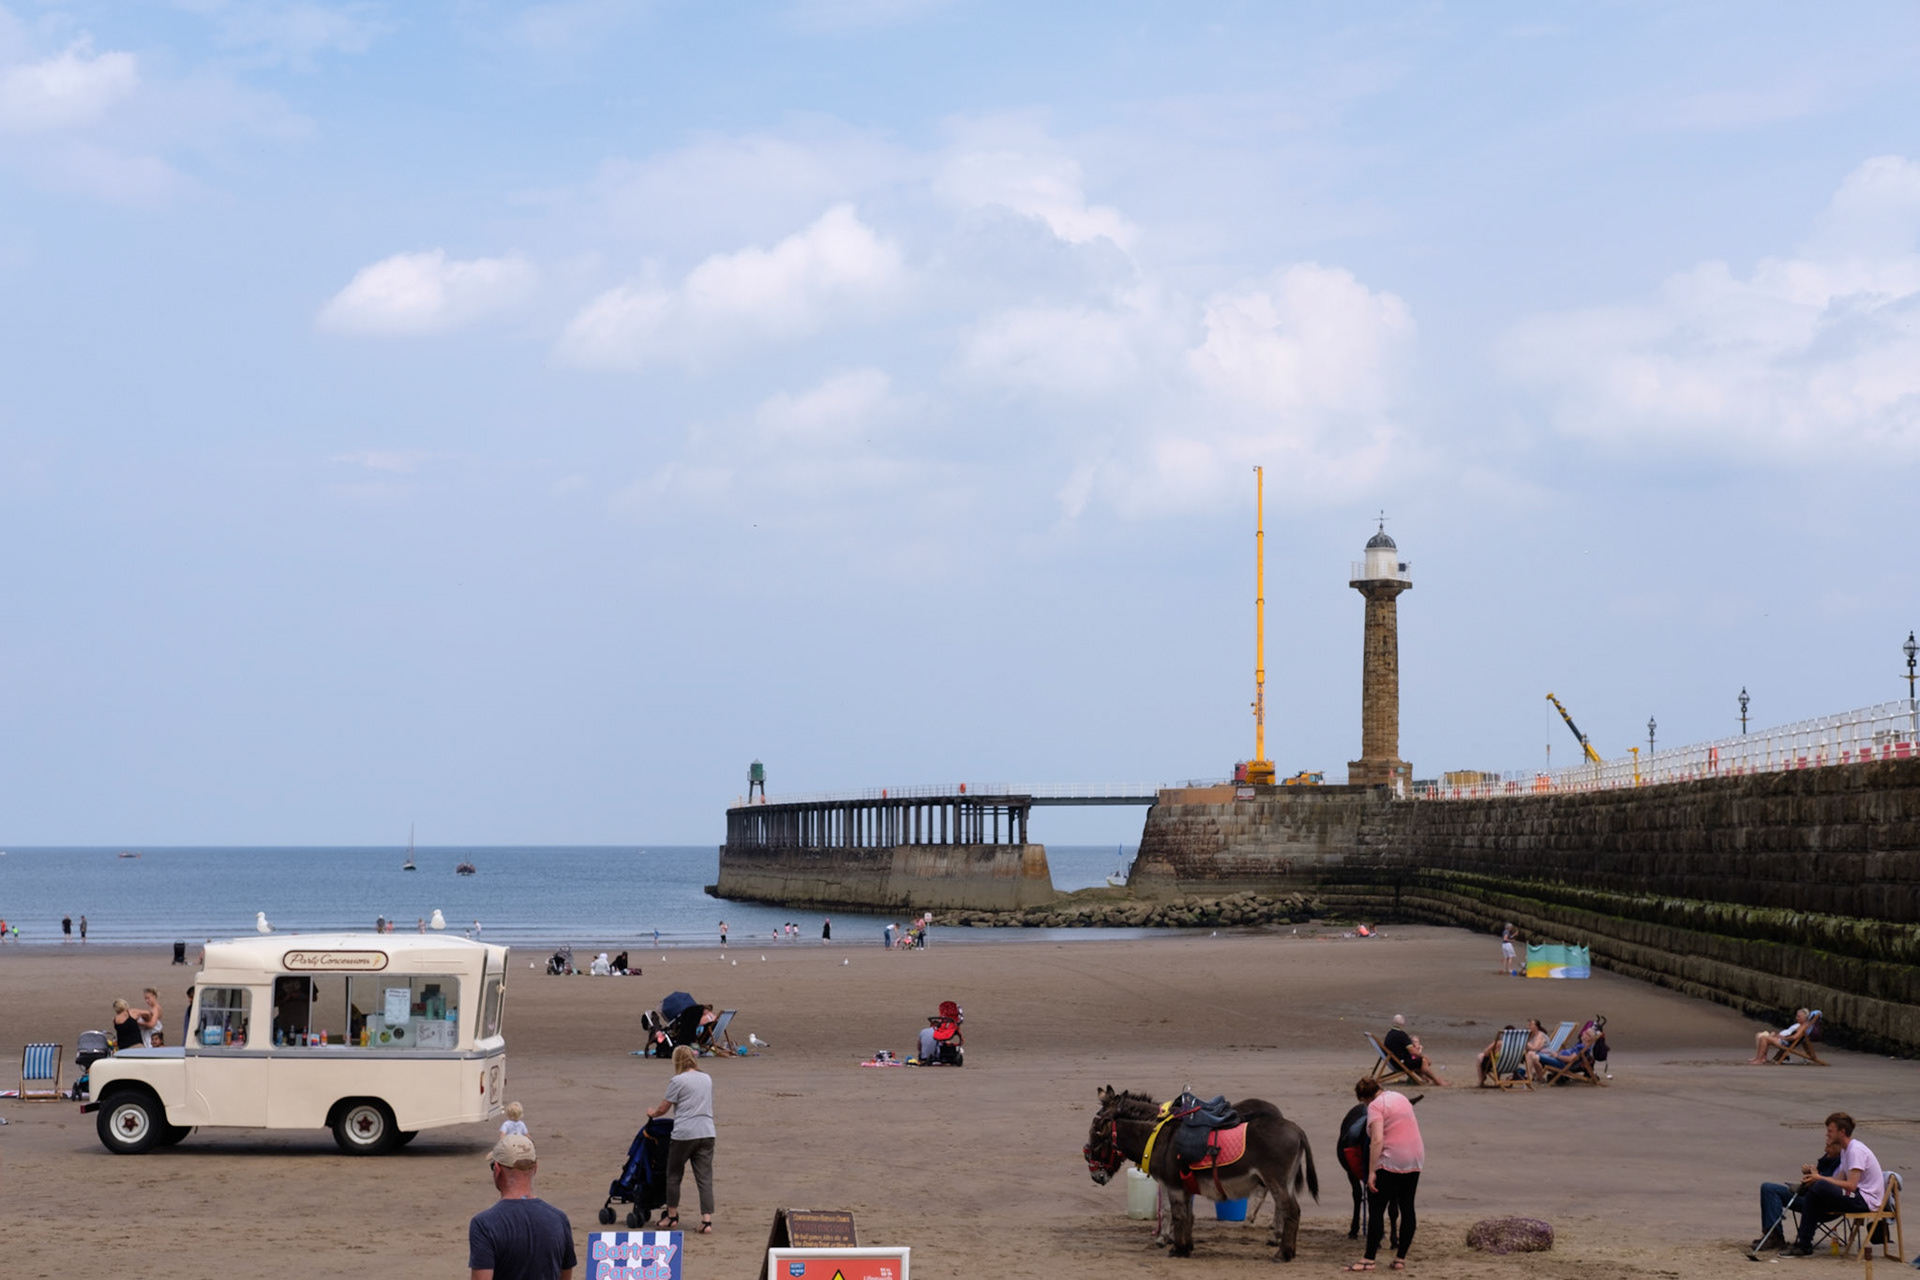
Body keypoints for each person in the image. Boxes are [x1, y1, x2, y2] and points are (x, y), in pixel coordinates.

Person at [1773, 1112, 1884, 1257]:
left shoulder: (1855, 1151)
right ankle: (1803, 1245)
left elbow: (1850, 1185)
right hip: (1853, 1195)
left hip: (1865, 1200)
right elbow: (1838, 1179)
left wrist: (1819, 1179)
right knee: (1815, 1190)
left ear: (1842, 1132)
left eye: (1830, 1131)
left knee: (1819, 1185)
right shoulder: (1845, 1151)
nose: (1827, 1134)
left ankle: (1804, 1243)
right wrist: (1815, 1178)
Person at [468, 1132, 576, 1280]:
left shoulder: (484, 1224)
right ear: (536, 1167)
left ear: (498, 1170)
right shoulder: (559, 1219)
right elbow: (565, 1275)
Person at [1345, 1077, 1423, 1272]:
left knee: (1377, 1208)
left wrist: (1371, 1171)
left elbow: (1377, 1140)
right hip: (1415, 1157)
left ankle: (1368, 1259)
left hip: (1391, 1160)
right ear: (1379, 1087)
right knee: (1407, 1207)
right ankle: (1400, 1259)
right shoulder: (1401, 1097)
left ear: (1364, 1098)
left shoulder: (1375, 1106)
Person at [646, 1045, 716, 1234]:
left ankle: (672, 1216)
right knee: (704, 1177)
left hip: (685, 1133)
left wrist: (652, 1112)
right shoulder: (706, 1078)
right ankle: (706, 1220)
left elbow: (664, 1107)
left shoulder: (678, 1080)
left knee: (674, 1174)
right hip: (707, 1131)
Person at [1753, 1128, 1846, 1257]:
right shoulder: (1827, 1159)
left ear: (1838, 1149)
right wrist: (1810, 1173)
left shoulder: (1843, 1165)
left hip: (1822, 1203)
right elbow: (1816, 1178)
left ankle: (1798, 1242)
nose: (1825, 1149)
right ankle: (1774, 1235)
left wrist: (1816, 1176)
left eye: (1829, 1147)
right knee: (1768, 1188)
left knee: (1786, 1192)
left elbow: (1828, 1186)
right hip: (1808, 1194)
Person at [1382, 1014, 1448, 1086]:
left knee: (1418, 1062)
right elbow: (1412, 1051)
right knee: (1423, 1061)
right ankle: (1437, 1081)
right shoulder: (1402, 1035)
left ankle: (1428, 1079)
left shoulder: (1389, 1034)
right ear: (1403, 1024)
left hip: (1393, 1061)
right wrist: (1424, 1056)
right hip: (1400, 1064)